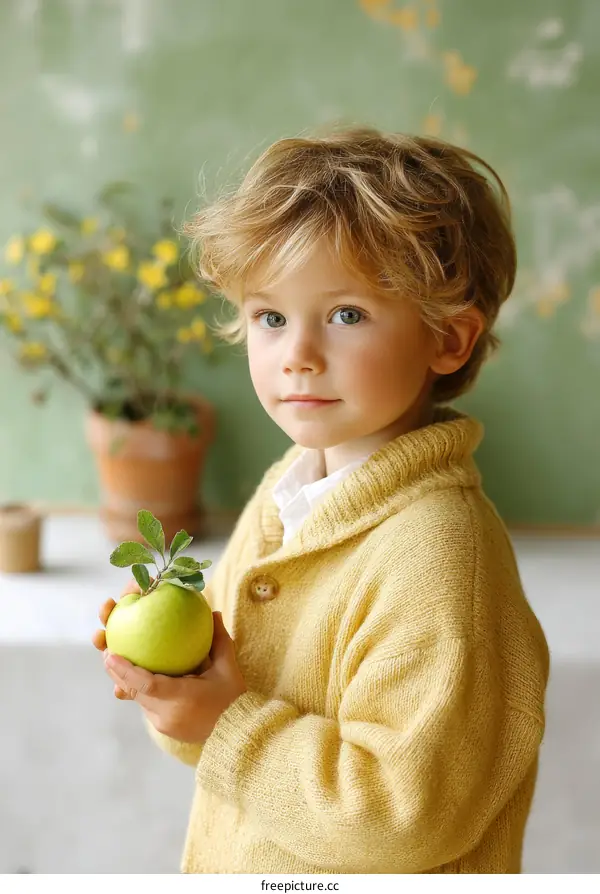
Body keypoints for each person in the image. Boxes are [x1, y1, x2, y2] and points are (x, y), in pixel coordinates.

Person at [93, 127, 550, 874]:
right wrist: (174, 686)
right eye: (271, 317)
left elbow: (400, 820)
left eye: (345, 315)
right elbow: (215, 735)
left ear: (449, 340)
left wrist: (229, 723)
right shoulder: (289, 489)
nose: (297, 352)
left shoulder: (440, 557)